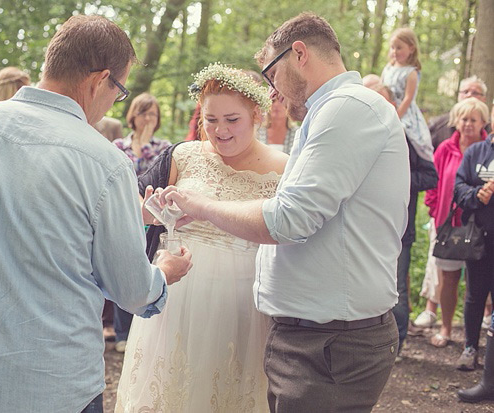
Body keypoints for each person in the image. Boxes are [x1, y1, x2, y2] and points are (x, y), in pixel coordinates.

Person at [0, 15, 192, 413]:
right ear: (100, 80)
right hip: (53, 386)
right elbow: (130, 289)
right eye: (120, 90)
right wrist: (162, 272)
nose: (116, 101)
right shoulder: (103, 162)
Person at [159, 13, 408, 411]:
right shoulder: (332, 111)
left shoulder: (347, 109)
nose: (272, 91)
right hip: (315, 338)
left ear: (299, 54)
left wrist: (201, 205)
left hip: (330, 344)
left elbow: (288, 220)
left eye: (271, 75)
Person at [116, 63, 286, 412]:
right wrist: (150, 213)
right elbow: (131, 203)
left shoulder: (283, 167)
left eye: (232, 119)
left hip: (243, 301)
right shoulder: (183, 155)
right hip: (178, 293)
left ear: (256, 114)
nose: (220, 130)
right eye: (211, 120)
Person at [368, 83, 438, 357]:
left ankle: (397, 345)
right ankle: (374, 345)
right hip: (366, 229)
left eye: (381, 101)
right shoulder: (358, 137)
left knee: (396, 286)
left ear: (394, 107)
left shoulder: (408, 139)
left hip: (400, 229)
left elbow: (431, 176)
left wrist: (400, 178)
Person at [424, 97, 489, 352]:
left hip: (480, 226)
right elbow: (433, 182)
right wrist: (434, 209)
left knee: (479, 282)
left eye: (474, 119)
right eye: (464, 119)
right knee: (448, 279)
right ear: (456, 121)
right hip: (449, 225)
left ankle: (477, 333)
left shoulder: (487, 150)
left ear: (484, 122)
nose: (468, 124)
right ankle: (446, 328)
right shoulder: (444, 149)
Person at [111, 92, 172, 353]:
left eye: (153, 114)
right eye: (143, 113)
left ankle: (145, 330)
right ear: (132, 116)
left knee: (147, 267)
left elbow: (153, 173)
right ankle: (121, 332)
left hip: (154, 218)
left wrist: (147, 143)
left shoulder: (164, 147)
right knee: (121, 267)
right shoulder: (118, 146)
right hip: (124, 213)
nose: (148, 118)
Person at [456, 111, 494, 403]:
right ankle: (470, 348)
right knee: (474, 296)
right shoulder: (477, 152)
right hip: (480, 240)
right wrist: (476, 194)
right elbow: (459, 188)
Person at [381, 27, 433, 163]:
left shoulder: (411, 73)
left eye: (399, 48)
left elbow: (408, 98)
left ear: (411, 48)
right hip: (386, 107)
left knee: (401, 133)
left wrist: (396, 117)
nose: (394, 51)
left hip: (403, 112)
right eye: (392, 48)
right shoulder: (388, 68)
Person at [428, 75, 490, 150]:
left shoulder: (491, 128)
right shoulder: (438, 125)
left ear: (484, 99)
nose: (469, 95)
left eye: (475, 93)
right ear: (458, 96)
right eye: (465, 92)